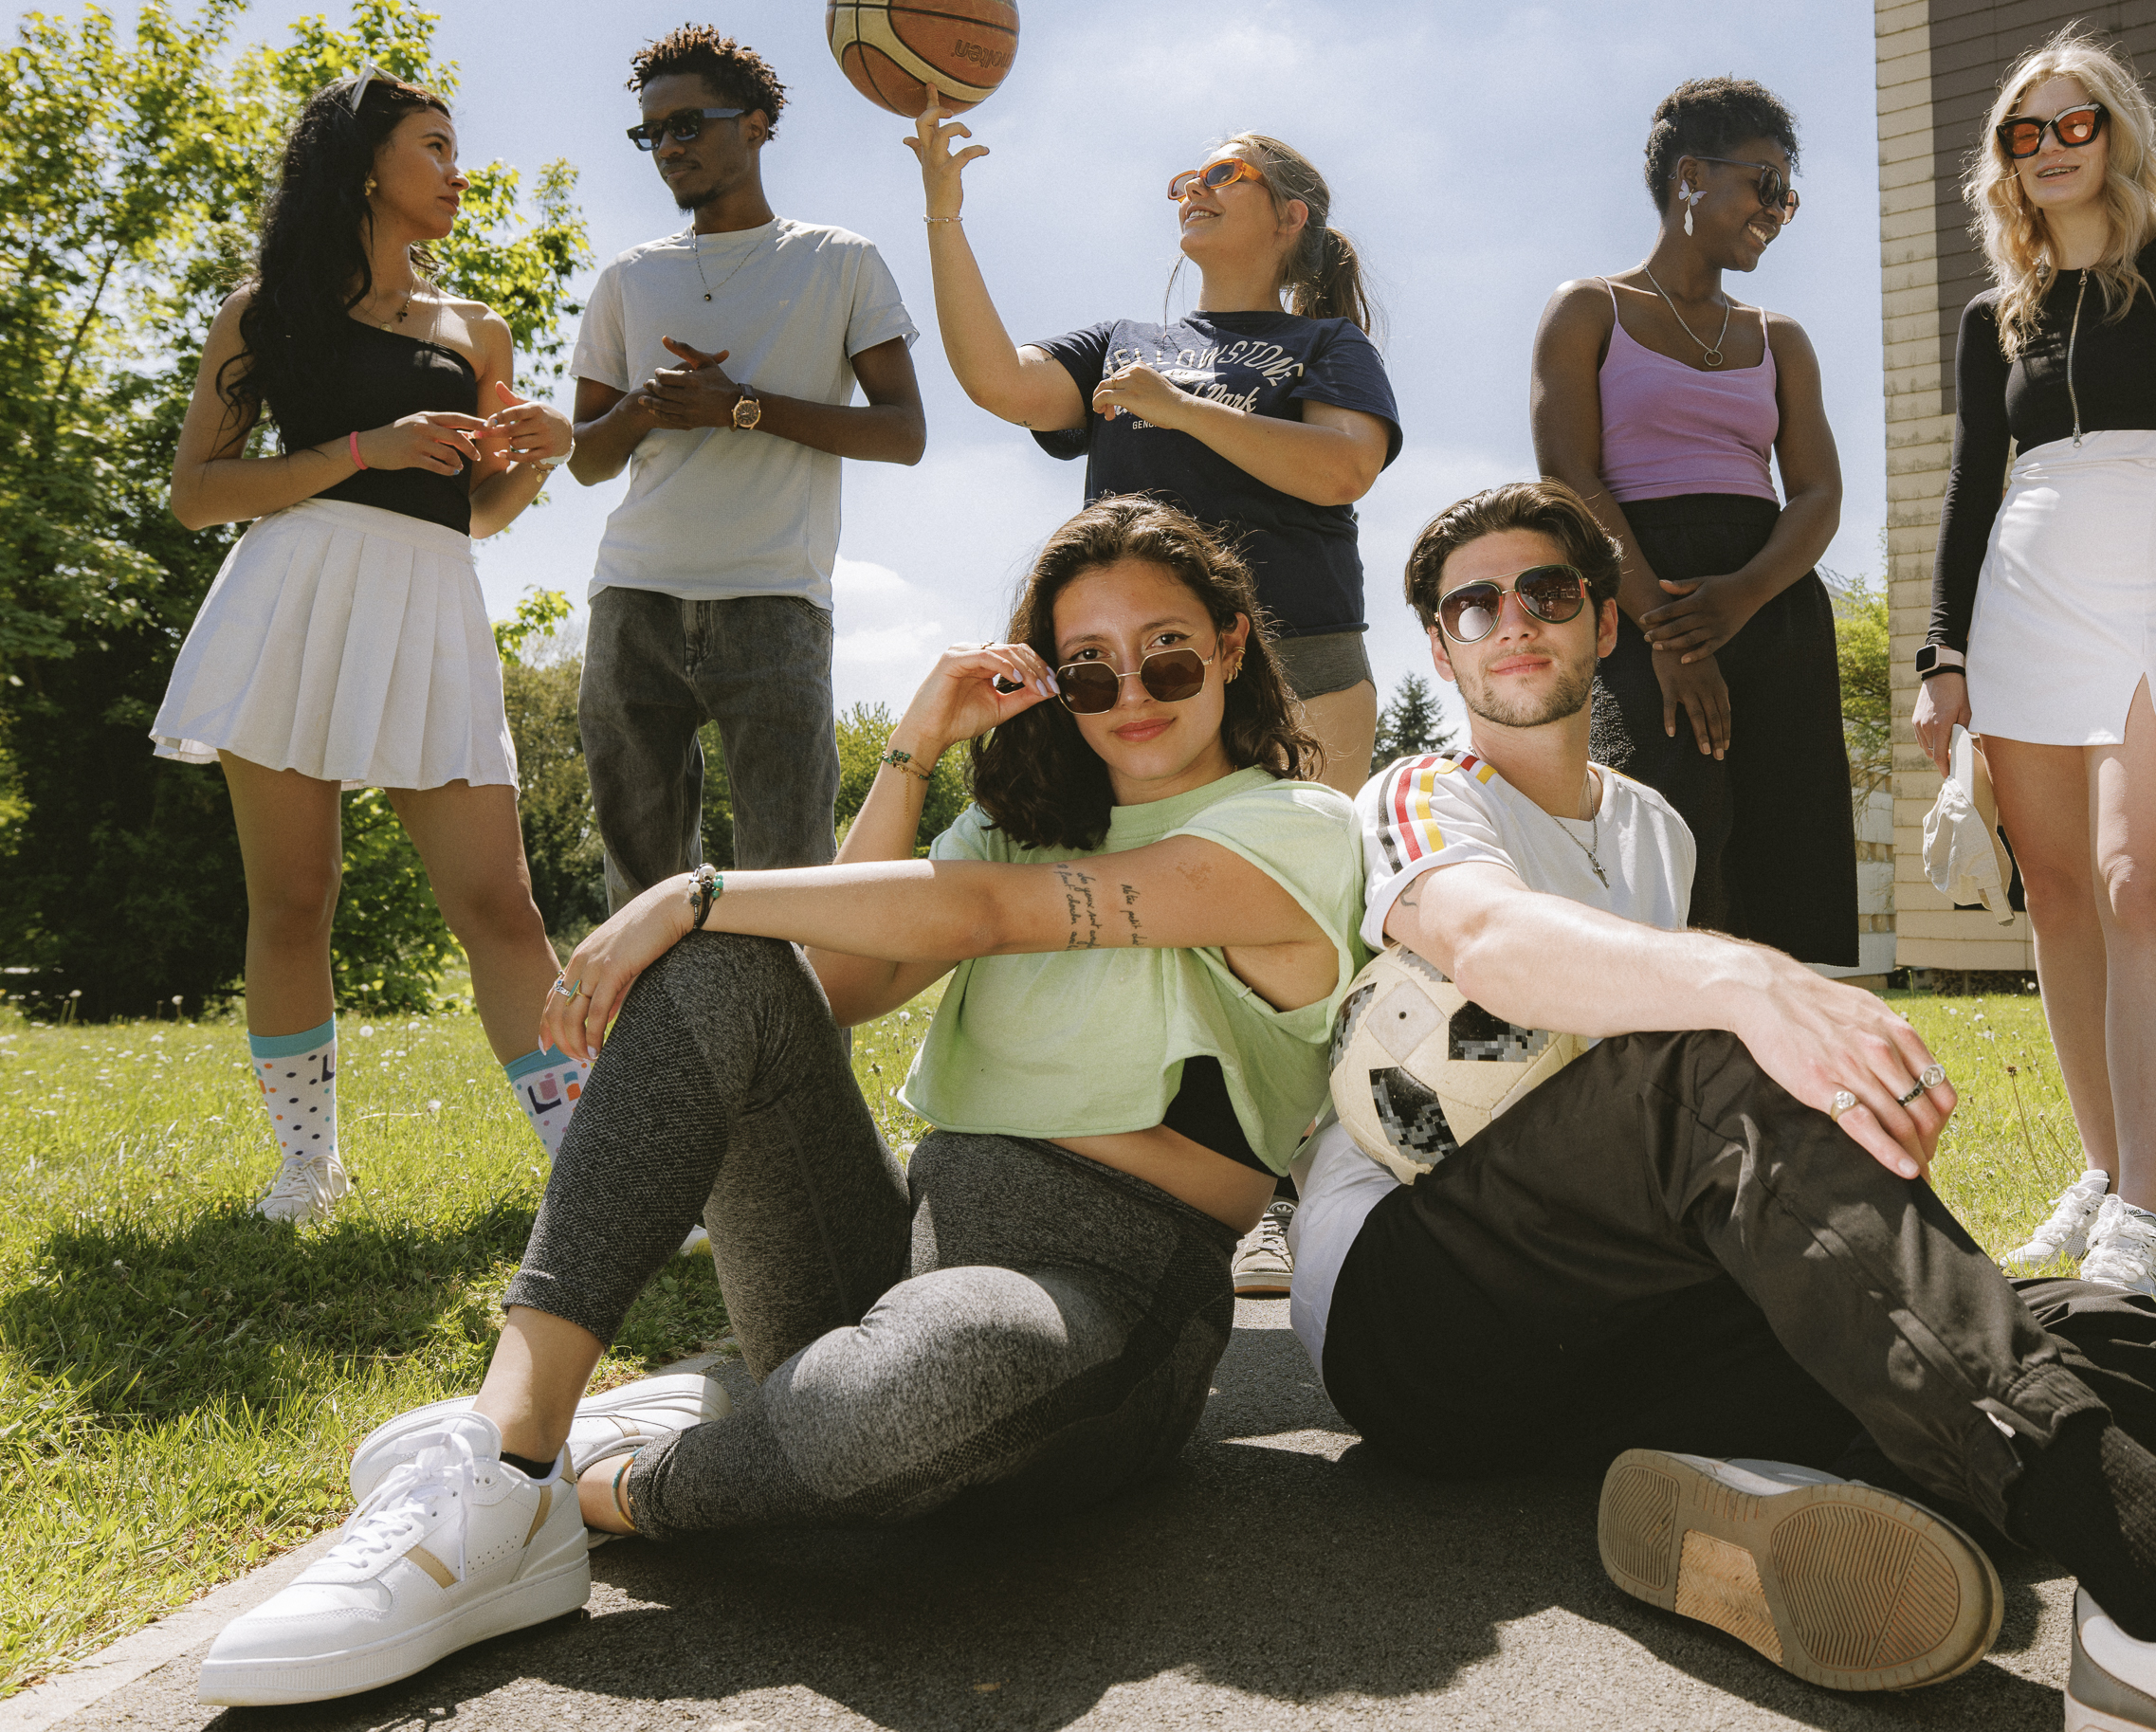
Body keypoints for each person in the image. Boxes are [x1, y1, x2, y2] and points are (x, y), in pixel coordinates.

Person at [1289, 482, 2156, 1727]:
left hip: (1614, 1334)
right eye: (1474, 605)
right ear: (1440, 649)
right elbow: (1490, 942)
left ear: (1603, 621)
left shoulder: (1656, 827)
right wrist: (1751, 984)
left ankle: (1736, 1498)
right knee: (1720, 1067)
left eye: (1544, 591)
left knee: (2113, 1337)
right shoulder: (1418, 793)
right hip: (1418, 1304)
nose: (1512, 622)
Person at [193, 499, 1369, 1706]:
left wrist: (695, 886)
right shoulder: (1024, 826)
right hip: (899, 1252)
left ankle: (600, 1489)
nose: (1131, 691)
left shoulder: (1296, 828)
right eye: (1087, 668)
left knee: (935, 1369)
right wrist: (912, 749)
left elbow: (980, 915)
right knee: (723, 967)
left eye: (1167, 652)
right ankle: (505, 1451)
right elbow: (835, 985)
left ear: (1231, 643)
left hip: (1104, 1306)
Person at [907, 95, 1403, 1296]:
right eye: (1184, 173)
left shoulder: (1321, 345)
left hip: (1305, 656)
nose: (1192, 185)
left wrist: (1178, 409)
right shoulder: (1122, 338)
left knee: (1291, 941)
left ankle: (1289, 1192)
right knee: (1144, 926)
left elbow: (1341, 464)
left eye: (1222, 172)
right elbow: (998, 381)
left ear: (1290, 214)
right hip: (1135, 674)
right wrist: (942, 212)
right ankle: (1124, 1164)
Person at [155, 72, 580, 1222]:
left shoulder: (477, 329)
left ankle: (590, 1166)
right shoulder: (264, 310)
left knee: (501, 902)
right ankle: (307, 1165)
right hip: (295, 595)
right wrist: (361, 448)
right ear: (362, 166)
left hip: (430, 602)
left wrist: (538, 456)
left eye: (455, 147)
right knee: (295, 896)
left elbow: (474, 517)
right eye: (432, 146)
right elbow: (198, 493)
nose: (456, 171)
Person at [1909, 29, 2156, 1313]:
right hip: (2022, 604)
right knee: (2056, 893)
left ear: (2116, 133)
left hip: (2151, 596)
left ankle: (2148, 1221)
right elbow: (1969, 486)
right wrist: (1944, 652)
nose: (2051, 148)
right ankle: (2105, 1176)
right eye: (2026, 131)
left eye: (2075, 123)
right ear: (2002, 158)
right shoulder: (1992, 316)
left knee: (2136, 886)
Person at [565, 24, 925, 920]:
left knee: (792, 886)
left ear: (757, 125)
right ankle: (652, 1025)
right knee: (640, 897)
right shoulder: (627, 279)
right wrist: (644, 407)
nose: (669, 147)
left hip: (775, 604)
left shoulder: (841, 260)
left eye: (688, 124)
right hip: (634, 604)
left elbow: (904, 433)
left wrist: (741, 406)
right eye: (652, 132)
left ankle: (790, 1026)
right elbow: (585, 460)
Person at [1531, 77, 1854, 964]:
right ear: (1690, 176)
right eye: (1765, 182)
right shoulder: (1589, 309)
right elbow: (1569, 476)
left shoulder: (1780, 337)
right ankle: (1662, 1037)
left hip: (1769, 598)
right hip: (1639, 593)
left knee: (1785, 849)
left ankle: (1782, 1040)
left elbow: (1818, 494)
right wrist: (1669, 632)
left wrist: (1741, 598)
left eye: (1788, 194)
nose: (1778, 209)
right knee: (1664, 840)